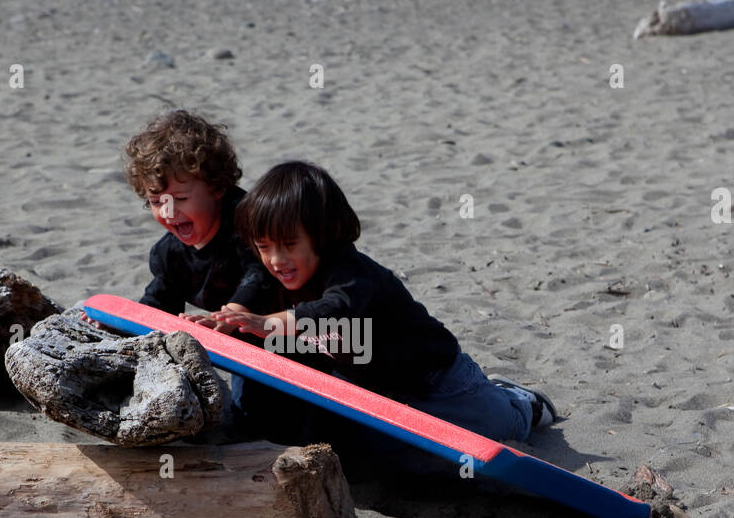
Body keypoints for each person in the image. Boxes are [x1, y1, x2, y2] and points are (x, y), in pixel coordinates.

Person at [211, 161, 555, 473]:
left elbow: (334, 311)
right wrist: (233, 315)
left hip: (440, 383)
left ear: (322, 235)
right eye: (264, 246)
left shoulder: (352, 274)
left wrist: (268, 323)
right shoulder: (283, 274)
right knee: (396, 457)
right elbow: (254, 280)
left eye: (288, 244)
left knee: (497, 431)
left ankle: (520, 402)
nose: (276, 259)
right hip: (380, 389)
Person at [124, 110, 272, 329]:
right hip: (236, 332)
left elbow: (260, 273)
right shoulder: (169, 254)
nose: (168, 212)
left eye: (180, 198)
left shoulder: (250, 223)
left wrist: (231, 313)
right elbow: (161, 301)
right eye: (156, 201)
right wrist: (121, 323)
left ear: (218, 187)